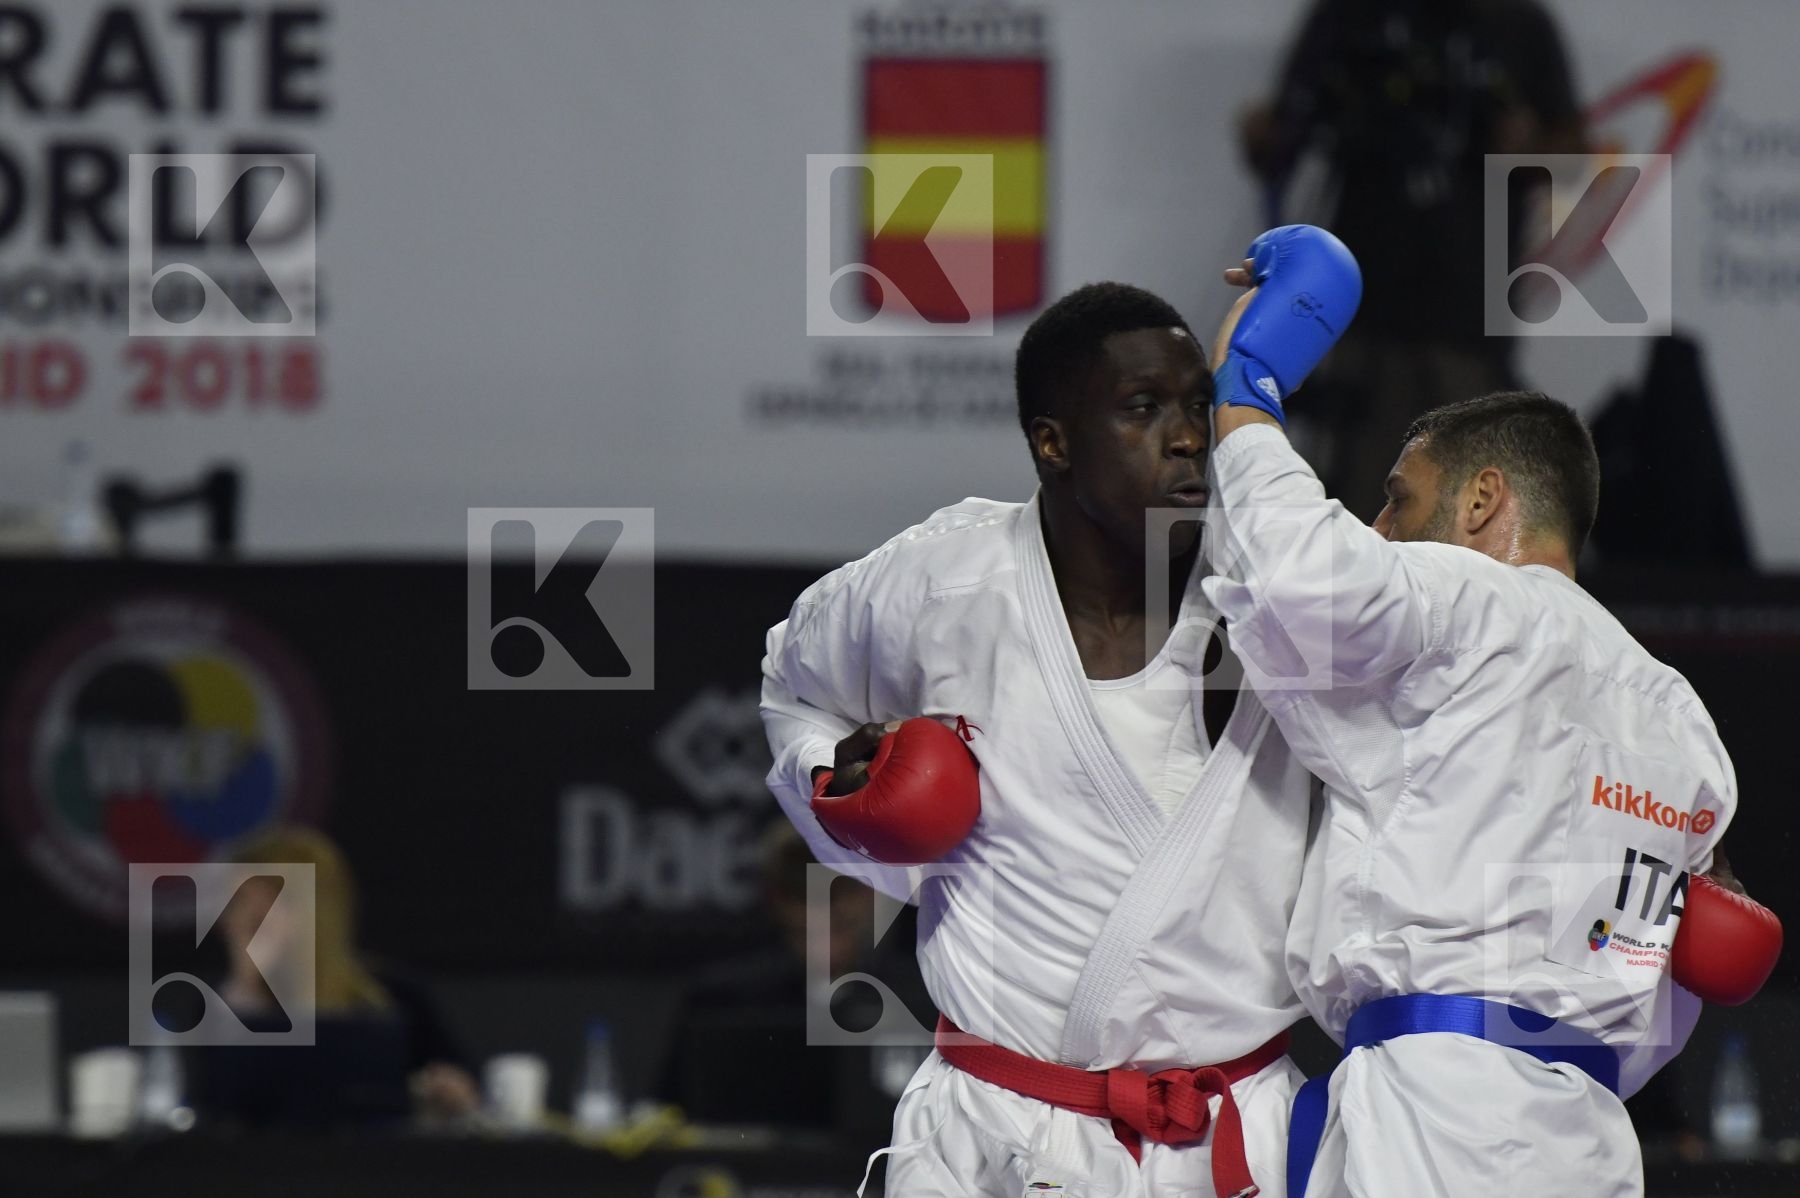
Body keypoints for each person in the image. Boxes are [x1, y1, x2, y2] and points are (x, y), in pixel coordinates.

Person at [1200, 227, 1750, 1196]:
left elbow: (1303, 575)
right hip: (1587, 1137)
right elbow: (1677, 988)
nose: (1380, 528)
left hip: (1435, 1122)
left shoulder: (1472, 600)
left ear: (1483, 500)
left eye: (1397, 501)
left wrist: (1245, 394)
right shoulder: (1685, 726)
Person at [761, 282, 1317, 1198]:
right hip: (996, 1133)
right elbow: (793, 684)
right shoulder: (943, 585)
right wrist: (842, 796)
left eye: (1199, 407)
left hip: (1229, 1137)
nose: (1187, 439)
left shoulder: (1278, 586)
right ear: (1052, 442)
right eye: (1143, 409)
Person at [1239, 0, 1586, 519]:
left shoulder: (1514, 22)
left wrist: (1524, 141)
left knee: (1468, 488)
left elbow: (1572, 152)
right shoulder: (1351, 17)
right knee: (1363, 490)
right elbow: (1278, 135)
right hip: (1362, 298)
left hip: (1466, 302)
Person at [191, 826, 481, 1126]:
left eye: (256, 913)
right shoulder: (221, 1005)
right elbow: (212, 1110)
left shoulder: (395, 997)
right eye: (233, 907)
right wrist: (247, 989)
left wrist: (449, 1091)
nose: (231, 925)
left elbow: (465, 1088)